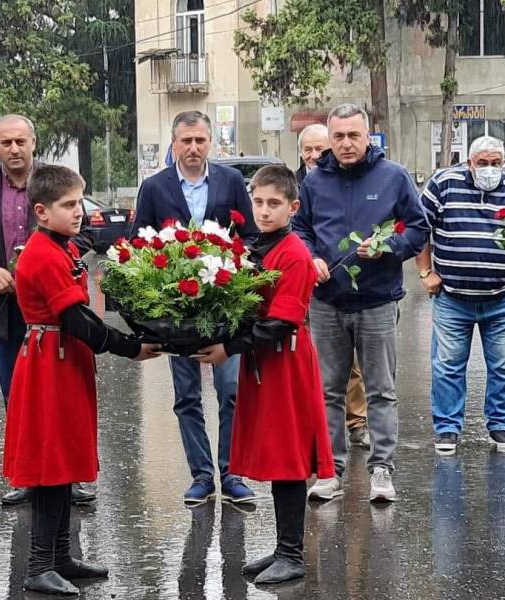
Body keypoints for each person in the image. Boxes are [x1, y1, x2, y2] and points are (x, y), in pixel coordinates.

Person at [2, 164, 158, 595]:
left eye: (79, 203)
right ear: (41, 210)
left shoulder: (63, 247)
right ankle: (38, 566)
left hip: (63, 362)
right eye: (68, 205)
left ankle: (60, 558)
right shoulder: (45, 254)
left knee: (66, 459)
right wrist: (130, 347)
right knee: (51, 465)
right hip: (49, 364)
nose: (79, 213)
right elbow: (77, 322)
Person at [197, 165, 335, 584]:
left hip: (286, 363)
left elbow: (282, 322)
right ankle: (281, 548)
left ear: (293, 207)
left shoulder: (292, 253)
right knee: (278, 456)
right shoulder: (259, 246)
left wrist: (228, 348)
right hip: (265, 363)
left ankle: (292, 554)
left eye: (274, 204)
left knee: (290, 459)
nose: (264, 210)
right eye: (258, 202)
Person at [0, 114, 94, 506]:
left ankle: (72, 476)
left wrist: (53, 263)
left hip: (56, 312)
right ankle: (26, 475)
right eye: (5, 143)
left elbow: (83, 231)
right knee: (16, 396)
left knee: (65, 396)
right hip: (6, 310)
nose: (14, 149)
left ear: (34, 142)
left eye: (20, 141)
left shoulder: (57, 183)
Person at [293, 103, 428, 503]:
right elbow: (300, 229)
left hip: (377, 302)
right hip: (327, 302)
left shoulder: (394, 177)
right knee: (327, 390)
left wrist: (389, 246)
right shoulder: (315, 182)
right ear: (329, 140)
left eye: (354, 135)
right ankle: (329, 470)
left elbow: (418, 228)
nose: (346, 144)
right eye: (339, 137)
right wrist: (311, 258)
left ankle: (382, 469)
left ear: (368, 136)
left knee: (381, 389)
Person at [131, 110, 257, 506]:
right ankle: (202, 475)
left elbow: (250, 234)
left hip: (223, 304)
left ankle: (232, 472)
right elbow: (138, 244)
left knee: (230, 390)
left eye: (200, 140)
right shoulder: (154, 188)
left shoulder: (231, 181)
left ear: (210, 143)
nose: (193, 148)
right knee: (187, 395)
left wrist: (237, 264)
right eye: (186, 141)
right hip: (176, 309)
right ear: (174, 144)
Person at [416, 136, 505, 455]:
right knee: (447, 366)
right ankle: (447, 429)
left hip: (501, 296)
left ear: (504, 163)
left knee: (504, 365)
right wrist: (425, 272)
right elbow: (420, 228)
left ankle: (500, 425)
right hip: (453, 297)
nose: (489, 169)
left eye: (495, 163)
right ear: (469, 163)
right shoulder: (444, 184)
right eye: (482, 163)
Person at [295, 122, 370, 450]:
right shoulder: (290, 185)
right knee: (301, 360)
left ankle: (356, 422)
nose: (314, 156)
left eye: (320, 150)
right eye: (308, 150)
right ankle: (307, 424)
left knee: (346, 363)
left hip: (335, 287)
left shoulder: (340, 181)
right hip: (297, 288)